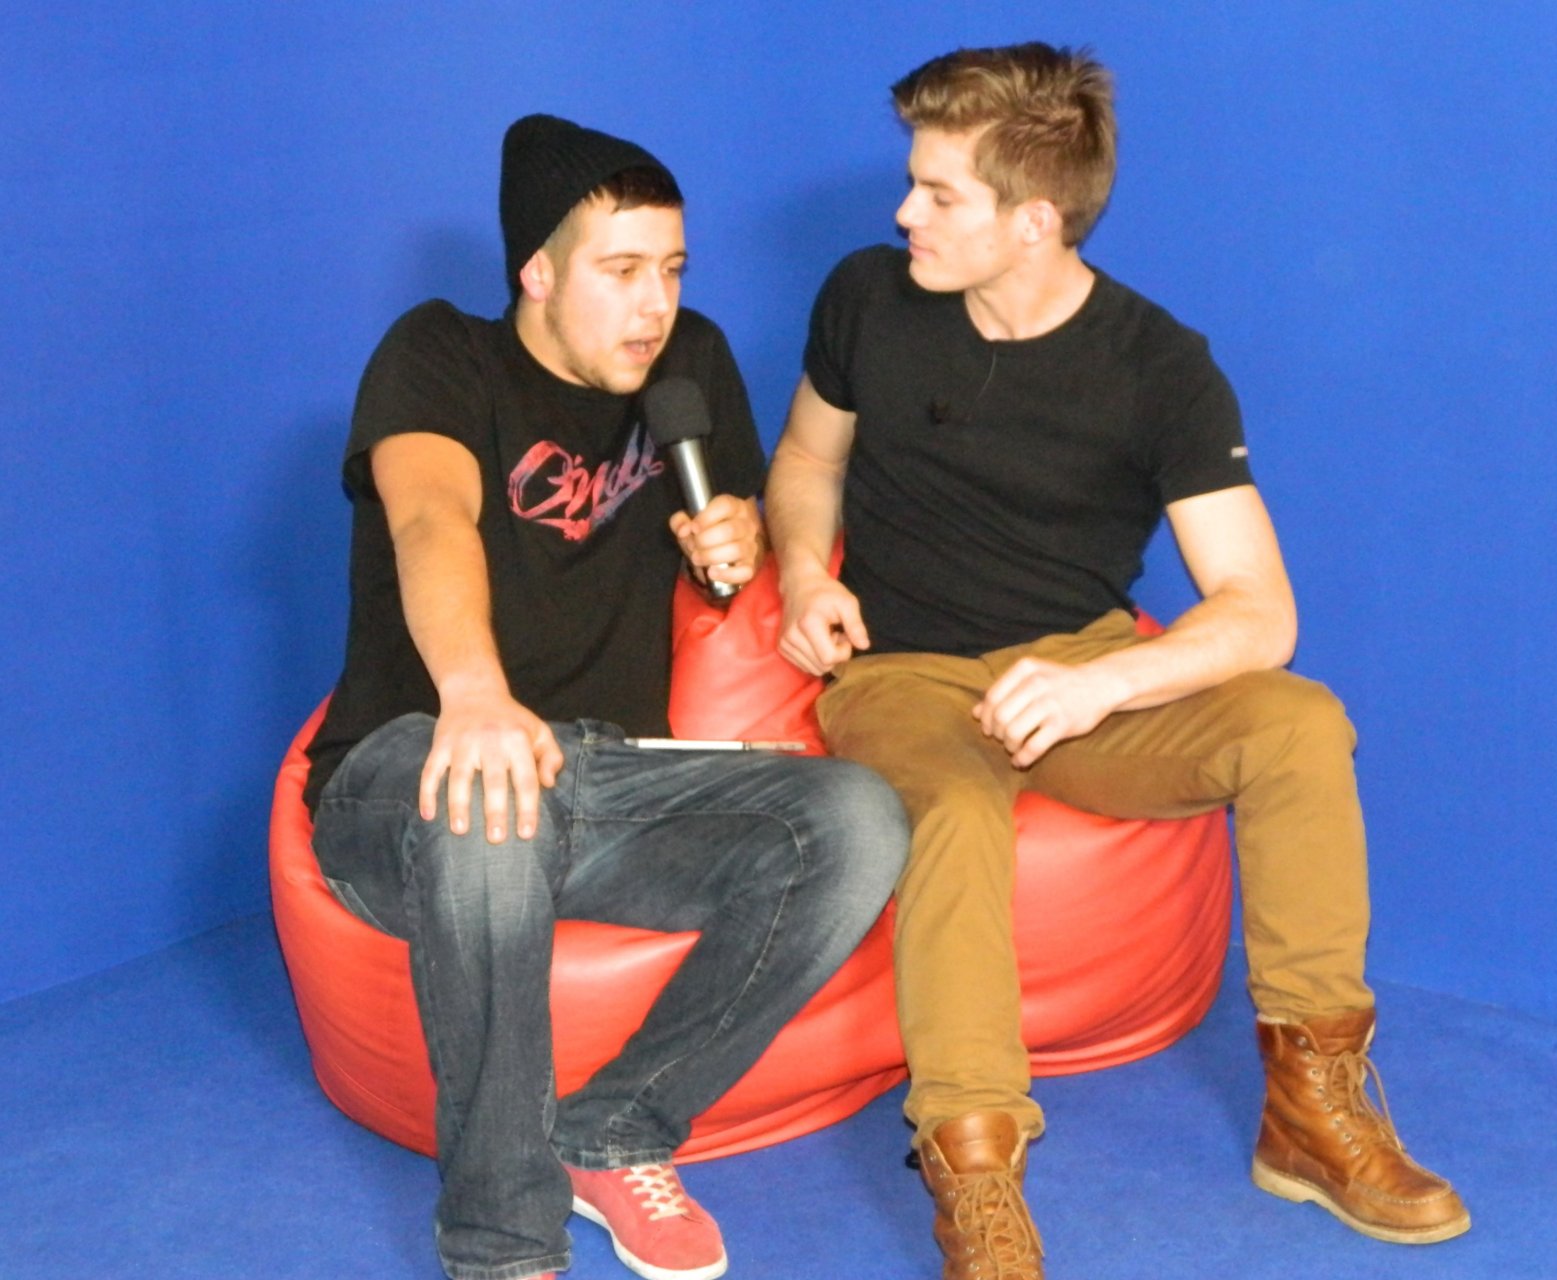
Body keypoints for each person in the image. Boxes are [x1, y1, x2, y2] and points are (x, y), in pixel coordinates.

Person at [765, 43, 1469, 1279]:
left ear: (1034, 220)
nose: (904, 212)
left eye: (938, 193)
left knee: (1300, 722)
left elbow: (1259, 611)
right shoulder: (867, 297)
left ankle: (1312, 1109)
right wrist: (805, 573)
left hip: (1080, 674)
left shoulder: (1159, 365)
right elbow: (808, 461)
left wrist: (1098, 683)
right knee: (957, 813)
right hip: (904, 671)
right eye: (912, 182)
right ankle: (975, 1171)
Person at [304, 113, 909, 1280]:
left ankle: (616, 1127)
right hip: (412, 766)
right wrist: (476, 694)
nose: (655, 305)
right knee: (491, 804)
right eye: (622, 271)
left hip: (607, 772)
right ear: (536, 272)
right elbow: (430, 518)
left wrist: (733, 539)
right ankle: (504, 1241)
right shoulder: (438, 354)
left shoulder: (691, 365)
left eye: (672, 269)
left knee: (858, 818)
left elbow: (729, 524)